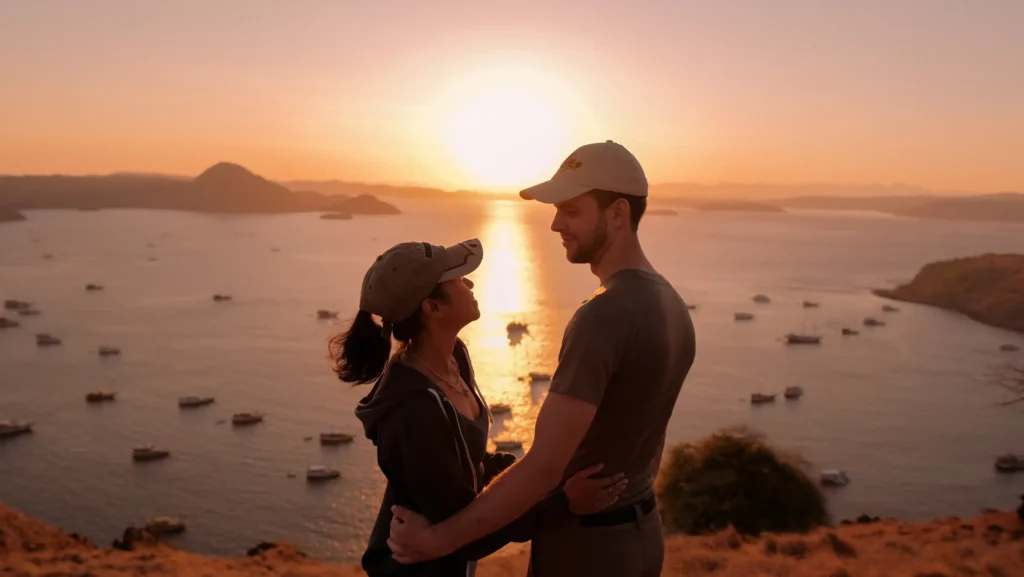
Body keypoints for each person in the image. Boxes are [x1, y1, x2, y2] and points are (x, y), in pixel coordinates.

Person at [387, 141, 697, 577]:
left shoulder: (604, 314)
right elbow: (651, 443)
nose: (555, 224)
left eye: (571, 211)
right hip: (641, 535)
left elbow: (543, 467)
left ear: (617, 213)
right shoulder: (671, 303)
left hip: (585, 550)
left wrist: (437, 541)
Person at [331, 238, 629, 577]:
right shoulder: (414, 412)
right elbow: (464, 532)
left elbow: (469, 465)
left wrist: (546, 472)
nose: (470, 283)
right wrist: (563, 502)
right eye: (457, 279)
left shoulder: (454, 357)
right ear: (432, 308)